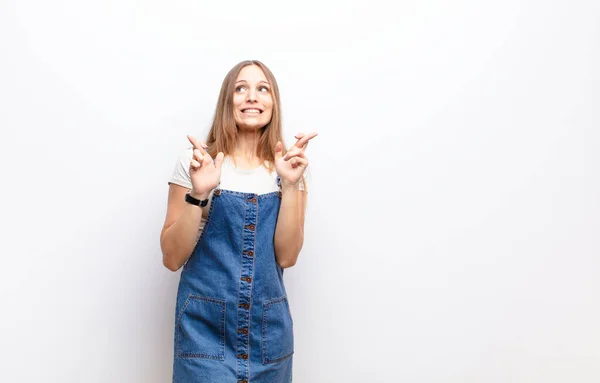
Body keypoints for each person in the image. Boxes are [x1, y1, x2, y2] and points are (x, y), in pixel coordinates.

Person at [160, 60, 316, 383]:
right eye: (241, 88)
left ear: (274, 103)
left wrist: (289, 184)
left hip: (268, 338)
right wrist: (198, 193)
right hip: (204, 336)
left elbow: (287, 256)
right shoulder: (197, 164)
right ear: (227, 101)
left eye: (263, 89)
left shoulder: (290, 168)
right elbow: (171, 257)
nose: (252, 97)